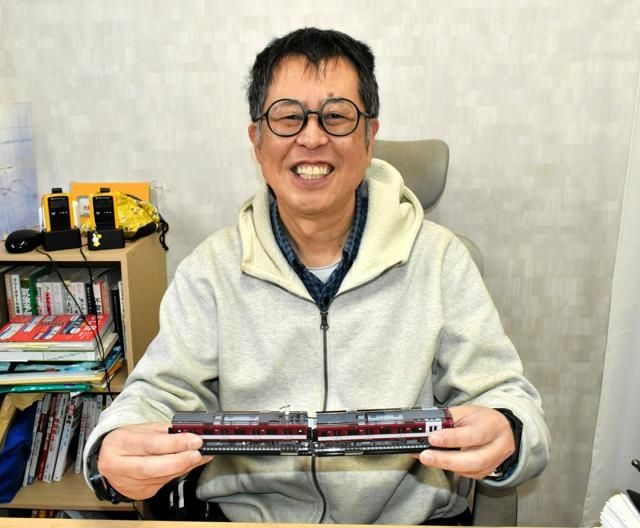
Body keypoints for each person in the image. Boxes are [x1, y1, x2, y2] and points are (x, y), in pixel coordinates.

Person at [84, 27, 550, 524]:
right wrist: (113, 444)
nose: (311, 138)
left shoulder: (440, 260)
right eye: (288, 117)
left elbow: (504, 396)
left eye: (336, 116)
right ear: (257, 141)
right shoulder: (211, 269)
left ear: (369, 138)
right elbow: (156, 394)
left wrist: (508, 430)